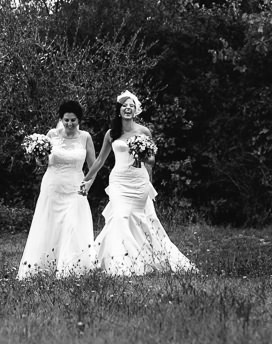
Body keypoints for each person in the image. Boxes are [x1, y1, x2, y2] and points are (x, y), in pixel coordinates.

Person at [80, 90, 196, 275]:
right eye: (124, 106)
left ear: (135, 111)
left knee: (138, 220)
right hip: (119, 181)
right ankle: (120, 264)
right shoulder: (112, 133)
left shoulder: (144, 131)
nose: (128, 109)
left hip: (139, 182)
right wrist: (85, 179)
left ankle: (142, 260)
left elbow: (152, 161)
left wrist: (143, 161)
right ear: (119, 110)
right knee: (119, 217)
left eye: (131, 106)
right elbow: (101, 160)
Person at [17, 100, 98, 279]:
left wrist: (88, 185)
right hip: (53, 186)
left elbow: (93, 167)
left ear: (79, 120)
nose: (69, 124)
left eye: (73, 120)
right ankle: (44, 265)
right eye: (66, 120)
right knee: (50, 225)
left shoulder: (85, 137)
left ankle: (71, 267)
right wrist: (38, 156)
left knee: (73, 225)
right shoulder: (51, 135)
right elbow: (42, 162)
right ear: (60, 119)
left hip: (75, 187)